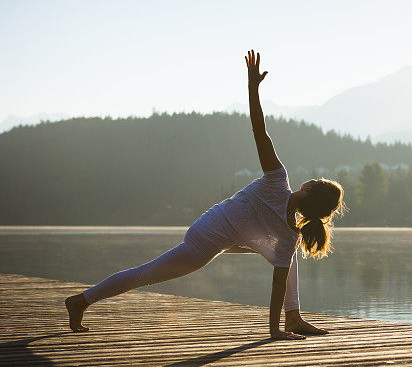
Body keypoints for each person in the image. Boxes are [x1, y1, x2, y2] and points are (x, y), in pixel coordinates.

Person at [65, 50, 346, 340]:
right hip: (208, 239)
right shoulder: (287, 229)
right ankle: (81, 300)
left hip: (219, 232)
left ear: (309, 188)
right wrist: (273, 332)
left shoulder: (278, 182)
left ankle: (293, 318)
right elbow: (276, 284)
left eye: (316, 179)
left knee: (285, 256)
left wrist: (252, 88)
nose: (312, 177)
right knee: (147, 274)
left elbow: (259, 130)